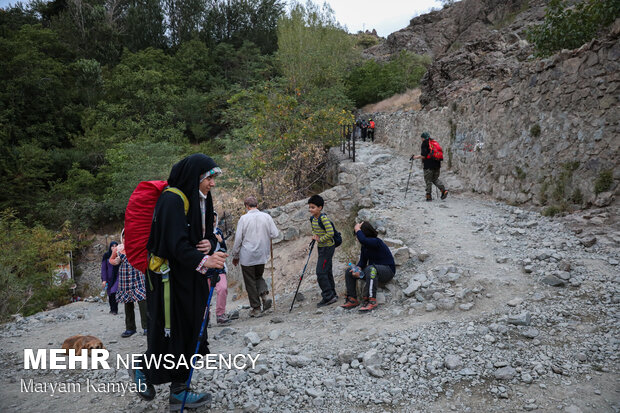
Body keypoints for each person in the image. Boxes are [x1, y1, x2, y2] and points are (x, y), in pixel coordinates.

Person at [131, 154, 227, 411]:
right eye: (209, 178)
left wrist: (211, 243)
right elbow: (173, 244)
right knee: (171, 329)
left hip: (190, 275)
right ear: (195, 176)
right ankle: (144, 369)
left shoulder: (201, 198)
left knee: (193, 326)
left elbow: (206, 235)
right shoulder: (172, 200)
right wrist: (205, 261)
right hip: (168, 279)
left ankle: (179, 391)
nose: (212, 184)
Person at [231, 196, 279, 318]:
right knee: (258, 276)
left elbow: (238, 239)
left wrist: (235, 255)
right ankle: (264, 296)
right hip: (262, 254)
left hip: (247, 255)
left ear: (246, 206)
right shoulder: (266, 217)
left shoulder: (243, 218)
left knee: (250, 281)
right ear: (257, 205)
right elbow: (275, 234)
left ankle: (256, 308)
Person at [341, 221, 395, 312]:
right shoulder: (364, 246)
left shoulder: (376, 241)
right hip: (372, 271)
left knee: (371, 269)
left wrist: (357, 229)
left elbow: (363, 240)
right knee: (349, 271)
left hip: (387, 271)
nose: (357, 238)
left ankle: (371, 300)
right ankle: (352, 299)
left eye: (358, 235)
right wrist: (357, 269)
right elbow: (362, 262)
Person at [110, 229, 148, 338]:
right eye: (125, 237)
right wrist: (115, 261)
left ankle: (147, 327)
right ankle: (130, 328)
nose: (127, 239)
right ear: (122, 238)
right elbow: (110, 260)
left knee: (143, 301)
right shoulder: (118, 249)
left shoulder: (139, 246)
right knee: (128, 303)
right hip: (125, 279)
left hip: (138, 277)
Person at [308, 194, 338, 307]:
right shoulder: (312, 219)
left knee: (320, 272)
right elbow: (314, 230)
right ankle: (332, 294)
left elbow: (331, 233)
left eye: (313, 207)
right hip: (321, 248)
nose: (311, 210)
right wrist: (314, 236)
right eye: (310, 207)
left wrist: (320, 239)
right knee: (327, 270)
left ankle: (328, 296)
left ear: (320, 208)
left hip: (328, 248)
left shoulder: (323, 218)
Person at [206, 212, 231, 325]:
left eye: (215, 221)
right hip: (204, 268)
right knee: (204, 293)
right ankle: (205, 317)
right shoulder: (199, 232)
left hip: (218, 266)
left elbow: (224, 248)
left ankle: (220, 314)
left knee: (222, 288)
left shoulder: (218, 232)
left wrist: (220, 241)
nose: (213, 223)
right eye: (211, 221)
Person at [411, 131, 448, 202]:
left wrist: (414, 157)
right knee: (435, 179)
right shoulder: (434, 142)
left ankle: (428, 196)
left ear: (423, 138)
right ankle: (444, 191)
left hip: (428, 165)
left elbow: (423, 155)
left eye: (421, 138)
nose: (421, 139)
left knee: (428, 180)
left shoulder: (425, 143)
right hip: (437, 164)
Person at [101, 241, 119, 315]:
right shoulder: (106, 255)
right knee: (110, 293)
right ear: (110, 247)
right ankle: (112, 309)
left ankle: (115, 310)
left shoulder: (119, 255)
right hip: (109, 277)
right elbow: (104, 269)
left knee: (114, 292)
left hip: (118, 276)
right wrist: (104, 280)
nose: (114, 247)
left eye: (115, 246)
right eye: (112, 246)